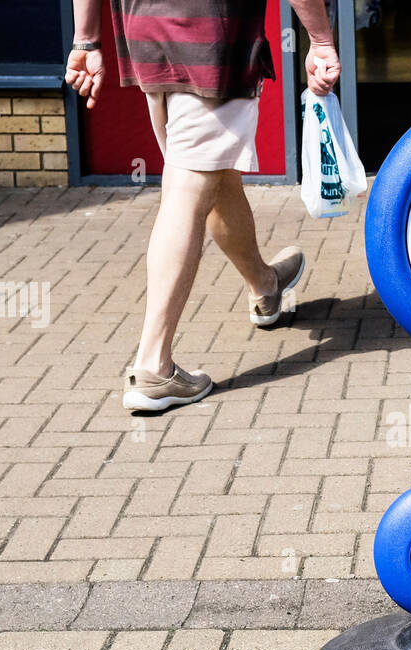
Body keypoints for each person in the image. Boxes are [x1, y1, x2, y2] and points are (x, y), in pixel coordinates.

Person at [65, 1, 342, 412]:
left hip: (147, 41)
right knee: (186, 192)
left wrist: (86, 40)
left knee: (211, 175)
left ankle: (265, 285)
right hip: (212, 45)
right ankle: (153, 367)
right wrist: (320, 40)